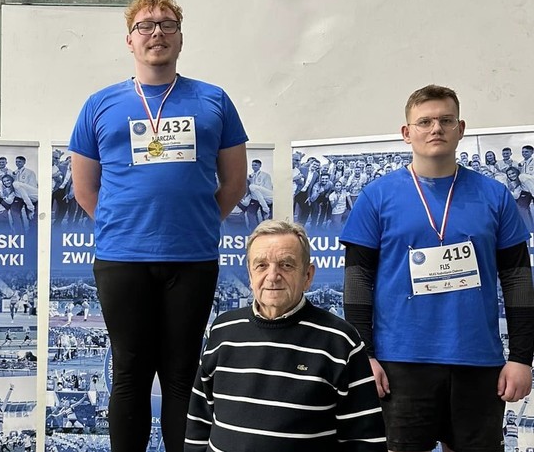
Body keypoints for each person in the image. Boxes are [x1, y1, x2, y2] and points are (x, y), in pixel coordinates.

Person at [67, 0, 247, 451]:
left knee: (182, 373)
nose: (157, 33)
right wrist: (128, 226)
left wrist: (195, 222)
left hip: (193, 256)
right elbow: (85, 190)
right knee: (130, 372)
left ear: (181, 37)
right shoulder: (99, 104)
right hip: (122, 259)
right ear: (129, 39)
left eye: (168, 24)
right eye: (145, 25)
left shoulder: (214, 100)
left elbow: (234, 183)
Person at [341, 84, 534, 452]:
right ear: (406, 132)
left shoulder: (494, 196)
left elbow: (518, 279)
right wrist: (364, 355)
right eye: (425, 122)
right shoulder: (376, 196)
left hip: (477, 361)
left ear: (460, 129)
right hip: (400, 363)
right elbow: (358, 280)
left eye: (446, 120)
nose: (436, 129)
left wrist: (522, 357)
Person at [185, 220, 386, 451]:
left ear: (308, 275)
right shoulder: (222, 331)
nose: (273, 276)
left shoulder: (341, 341)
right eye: (261, 265)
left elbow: (365, 441)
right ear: (250, 274)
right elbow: (199, 422)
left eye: (286, 265)